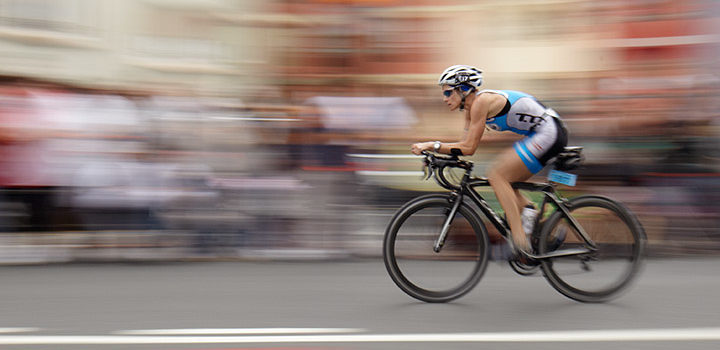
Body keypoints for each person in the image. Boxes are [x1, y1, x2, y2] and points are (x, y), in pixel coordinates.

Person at [411, 65, 568, 256]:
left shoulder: (481, 102)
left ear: (464, 89)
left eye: (448, 92)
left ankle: (520, 242)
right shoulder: (471, 109)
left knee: (497, 175)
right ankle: (530, 213)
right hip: (541, 133)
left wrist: (431, 145)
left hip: (548, 131)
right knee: (505, 179)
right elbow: (465, 146)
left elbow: (468, 148)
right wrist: (440, 156)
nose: (445, 98)